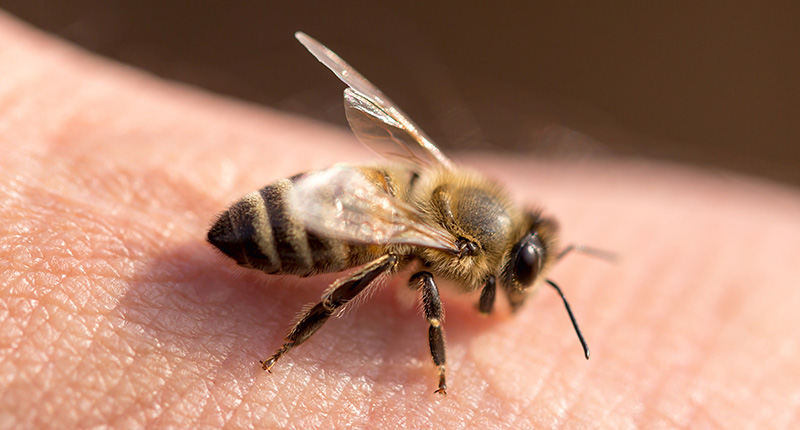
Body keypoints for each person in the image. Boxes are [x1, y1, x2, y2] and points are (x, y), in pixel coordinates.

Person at [1, 11, 798, 429]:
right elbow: (426, 279)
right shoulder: (453, 246)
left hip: (348, 189)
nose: (513, 288)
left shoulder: (454, 186)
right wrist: (442, 366)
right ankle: (294, 342)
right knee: (391, 265)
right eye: (514, 275)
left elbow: (378, 134)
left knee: (393, 250)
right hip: (311, 220)